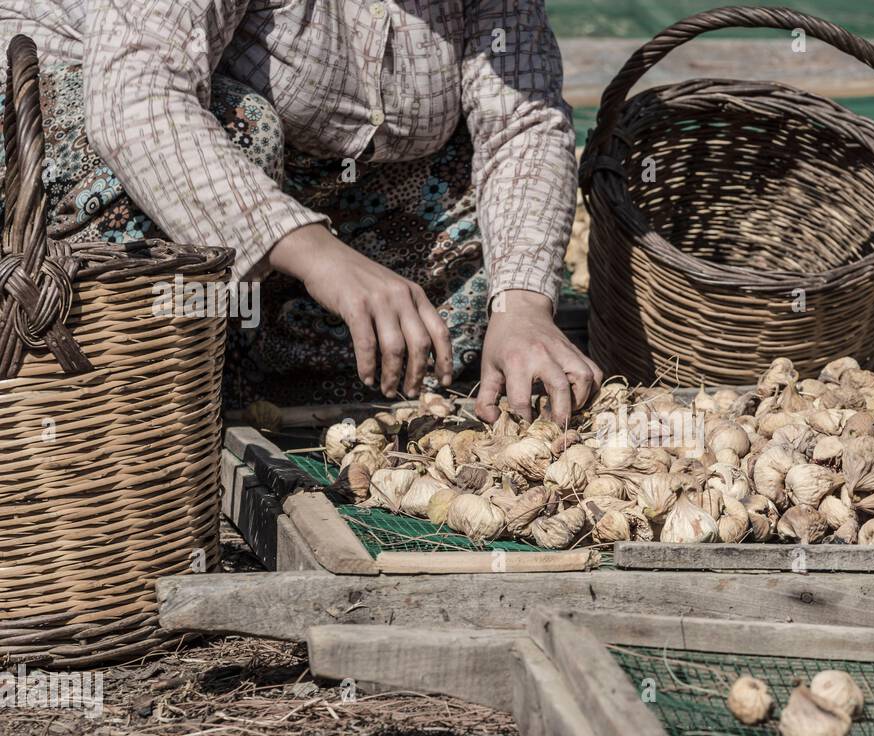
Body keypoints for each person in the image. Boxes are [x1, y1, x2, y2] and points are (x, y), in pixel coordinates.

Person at [0, 0, 600, 422]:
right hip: (66, 144)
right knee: (244, 126)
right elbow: (137, 102)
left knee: (481, 224)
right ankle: (151, 400)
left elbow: (522, 125)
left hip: (307, 179)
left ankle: (272, 376)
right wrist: (320, 258)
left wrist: (524, 307)